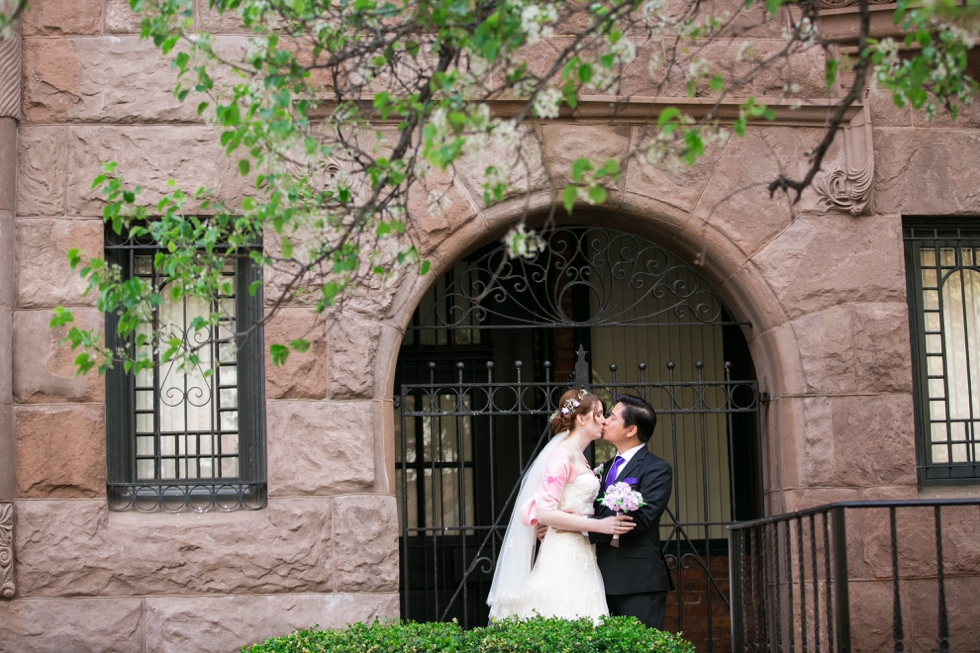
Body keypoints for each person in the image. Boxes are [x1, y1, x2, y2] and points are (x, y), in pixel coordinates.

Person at [486, 389, 635, 622]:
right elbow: (545, 511)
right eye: (598, 414)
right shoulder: (561, 454)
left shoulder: (579, 455)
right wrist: (598, 525)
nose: (604, 420)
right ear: (581, 419)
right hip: (563, 553)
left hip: (582, 552)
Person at [589, 394, 674, 630]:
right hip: (598, 579)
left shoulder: (656, 468)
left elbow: (643, 519)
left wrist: (586, 528)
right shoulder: (603, 468)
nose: (605, 421)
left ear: (631, 430)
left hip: (638, 581)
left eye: (612, 417)